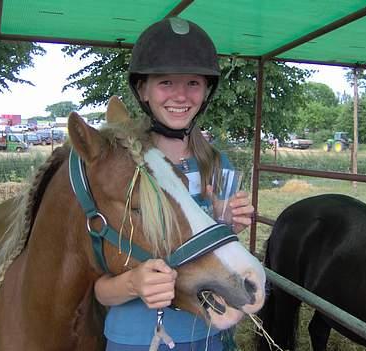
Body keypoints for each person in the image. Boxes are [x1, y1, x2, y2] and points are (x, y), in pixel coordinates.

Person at [94, 17, 254, 351]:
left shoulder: (216, 165)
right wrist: (134, 284)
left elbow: (216, 255)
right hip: (135, 338)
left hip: (209, 333)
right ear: (143, 90)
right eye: (166, 82)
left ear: (206, 90)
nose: (181, 95)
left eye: (193, 83)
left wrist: (229, 227)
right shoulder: (123, 172)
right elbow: (98, 288)